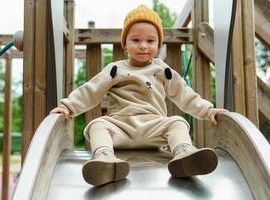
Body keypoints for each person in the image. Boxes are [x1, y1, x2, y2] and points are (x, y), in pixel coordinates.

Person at [50, 4, 227, 186]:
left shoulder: (162, 70)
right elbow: (91, 90)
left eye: (150, 41)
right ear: (124, 44)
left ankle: (184, 154)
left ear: (158, 44)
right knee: (97, 124)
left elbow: (185, 95)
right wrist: (68, 106)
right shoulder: (115, 69)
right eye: (136, 40)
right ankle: (105, 158)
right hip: (121, 128)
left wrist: (208, 111)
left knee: (177, 122)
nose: (143, 46)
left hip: (153, 127)